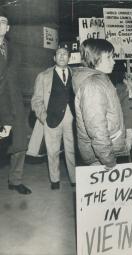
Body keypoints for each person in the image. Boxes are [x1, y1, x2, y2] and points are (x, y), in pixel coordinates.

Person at [73, 38, 126, 168]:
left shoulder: (99, 80)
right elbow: (97, 129)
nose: (113, 61)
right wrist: (109, 161)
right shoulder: (93, 85)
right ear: (95, 58)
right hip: (101, 157)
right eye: (109, 57)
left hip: (104, 151)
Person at [31, 42, 76, 190]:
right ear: (54, 57)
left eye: (65, 54)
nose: (62, 56)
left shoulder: (76, 75)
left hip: (71, 119)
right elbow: (36, 100)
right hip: (51, 119)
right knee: (53, 151)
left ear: (69, 57)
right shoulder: (43, 76)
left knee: (72, 150)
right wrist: (43, 117)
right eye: (59, 54)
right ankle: (55, 180)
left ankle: (74, 179)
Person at [0, 11, 31, 194]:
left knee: (19, 143)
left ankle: (15, 180)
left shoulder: (15, 49)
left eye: (3, 22)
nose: (0, 26)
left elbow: (20, 77)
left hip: (15, 102)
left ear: (8, 28)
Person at [116, 70, 132, 153]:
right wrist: (127, 89)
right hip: (125, 114)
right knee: (128, 135)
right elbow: (117, 99)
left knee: (130, 136)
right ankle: (126, 154)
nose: (129, 75)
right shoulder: (119, 86)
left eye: (131, 73)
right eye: (127, 73)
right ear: (124, 74)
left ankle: (126, 153)